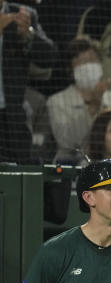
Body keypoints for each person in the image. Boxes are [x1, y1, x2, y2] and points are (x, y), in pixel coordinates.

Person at [47, 38, 111, 164]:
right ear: (70, 70)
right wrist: (93, 107)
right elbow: (68, 142)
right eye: (82, 62)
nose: (88, 66)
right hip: (72, 168)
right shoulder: (57, 101)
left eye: (92, 60)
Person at [0, 1, 56, 164]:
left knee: (17, 178)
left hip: (12, 119)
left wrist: (28, 34)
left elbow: (49, 57)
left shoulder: (23, 15)